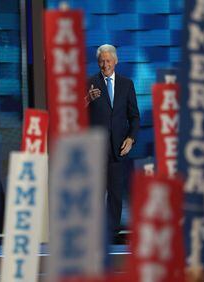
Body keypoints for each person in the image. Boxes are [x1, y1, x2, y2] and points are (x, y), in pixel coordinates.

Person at [86, 44, 140, 240]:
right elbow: (77, 116)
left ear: (116, 61)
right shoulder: (89, 84)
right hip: (95, 149)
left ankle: (113, 234)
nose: (105, 64)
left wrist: (131, 138)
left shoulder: (127, 84)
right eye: (101, 61)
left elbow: (134, 117)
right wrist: (86, 100)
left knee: (116, 193)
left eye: (108, 60)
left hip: (118, 149)